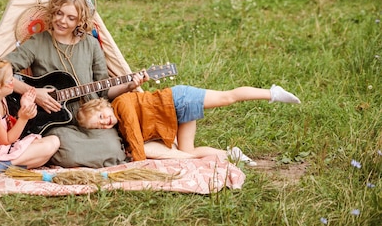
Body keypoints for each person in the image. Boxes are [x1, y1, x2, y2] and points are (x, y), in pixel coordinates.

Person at [4, 0, 148, 168]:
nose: (63, 21)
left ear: (80, 21)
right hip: (56, 119)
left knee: (113, 150)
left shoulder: (91, 44)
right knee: (68, 153)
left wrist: (129, 85)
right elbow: (1, 71)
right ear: (53, 12)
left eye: (71, 18)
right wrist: (33, 93)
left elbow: (103, 90)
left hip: (92, 118)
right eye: (59, 13)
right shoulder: (38, 42)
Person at [76, 83, 301, 165]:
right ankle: (232, 154)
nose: (105, 123)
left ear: (103, 106)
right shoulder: (119, 124)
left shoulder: (121, 103)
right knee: (188, 151)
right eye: (100, 127)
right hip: (176, 115)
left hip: (179, 99)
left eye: (101, 117)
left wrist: (138, 161)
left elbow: (135, 133)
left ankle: (272, 93)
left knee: (227, 97)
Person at [0, 58, 60, 174]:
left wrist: (24, 106)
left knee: (53, 142)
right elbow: (6, 140)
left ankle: (6, 167)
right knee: (46, 148)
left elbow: (8, 128)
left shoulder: (1, 99)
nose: (13, 82)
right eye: (9, 80)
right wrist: (23, 118)